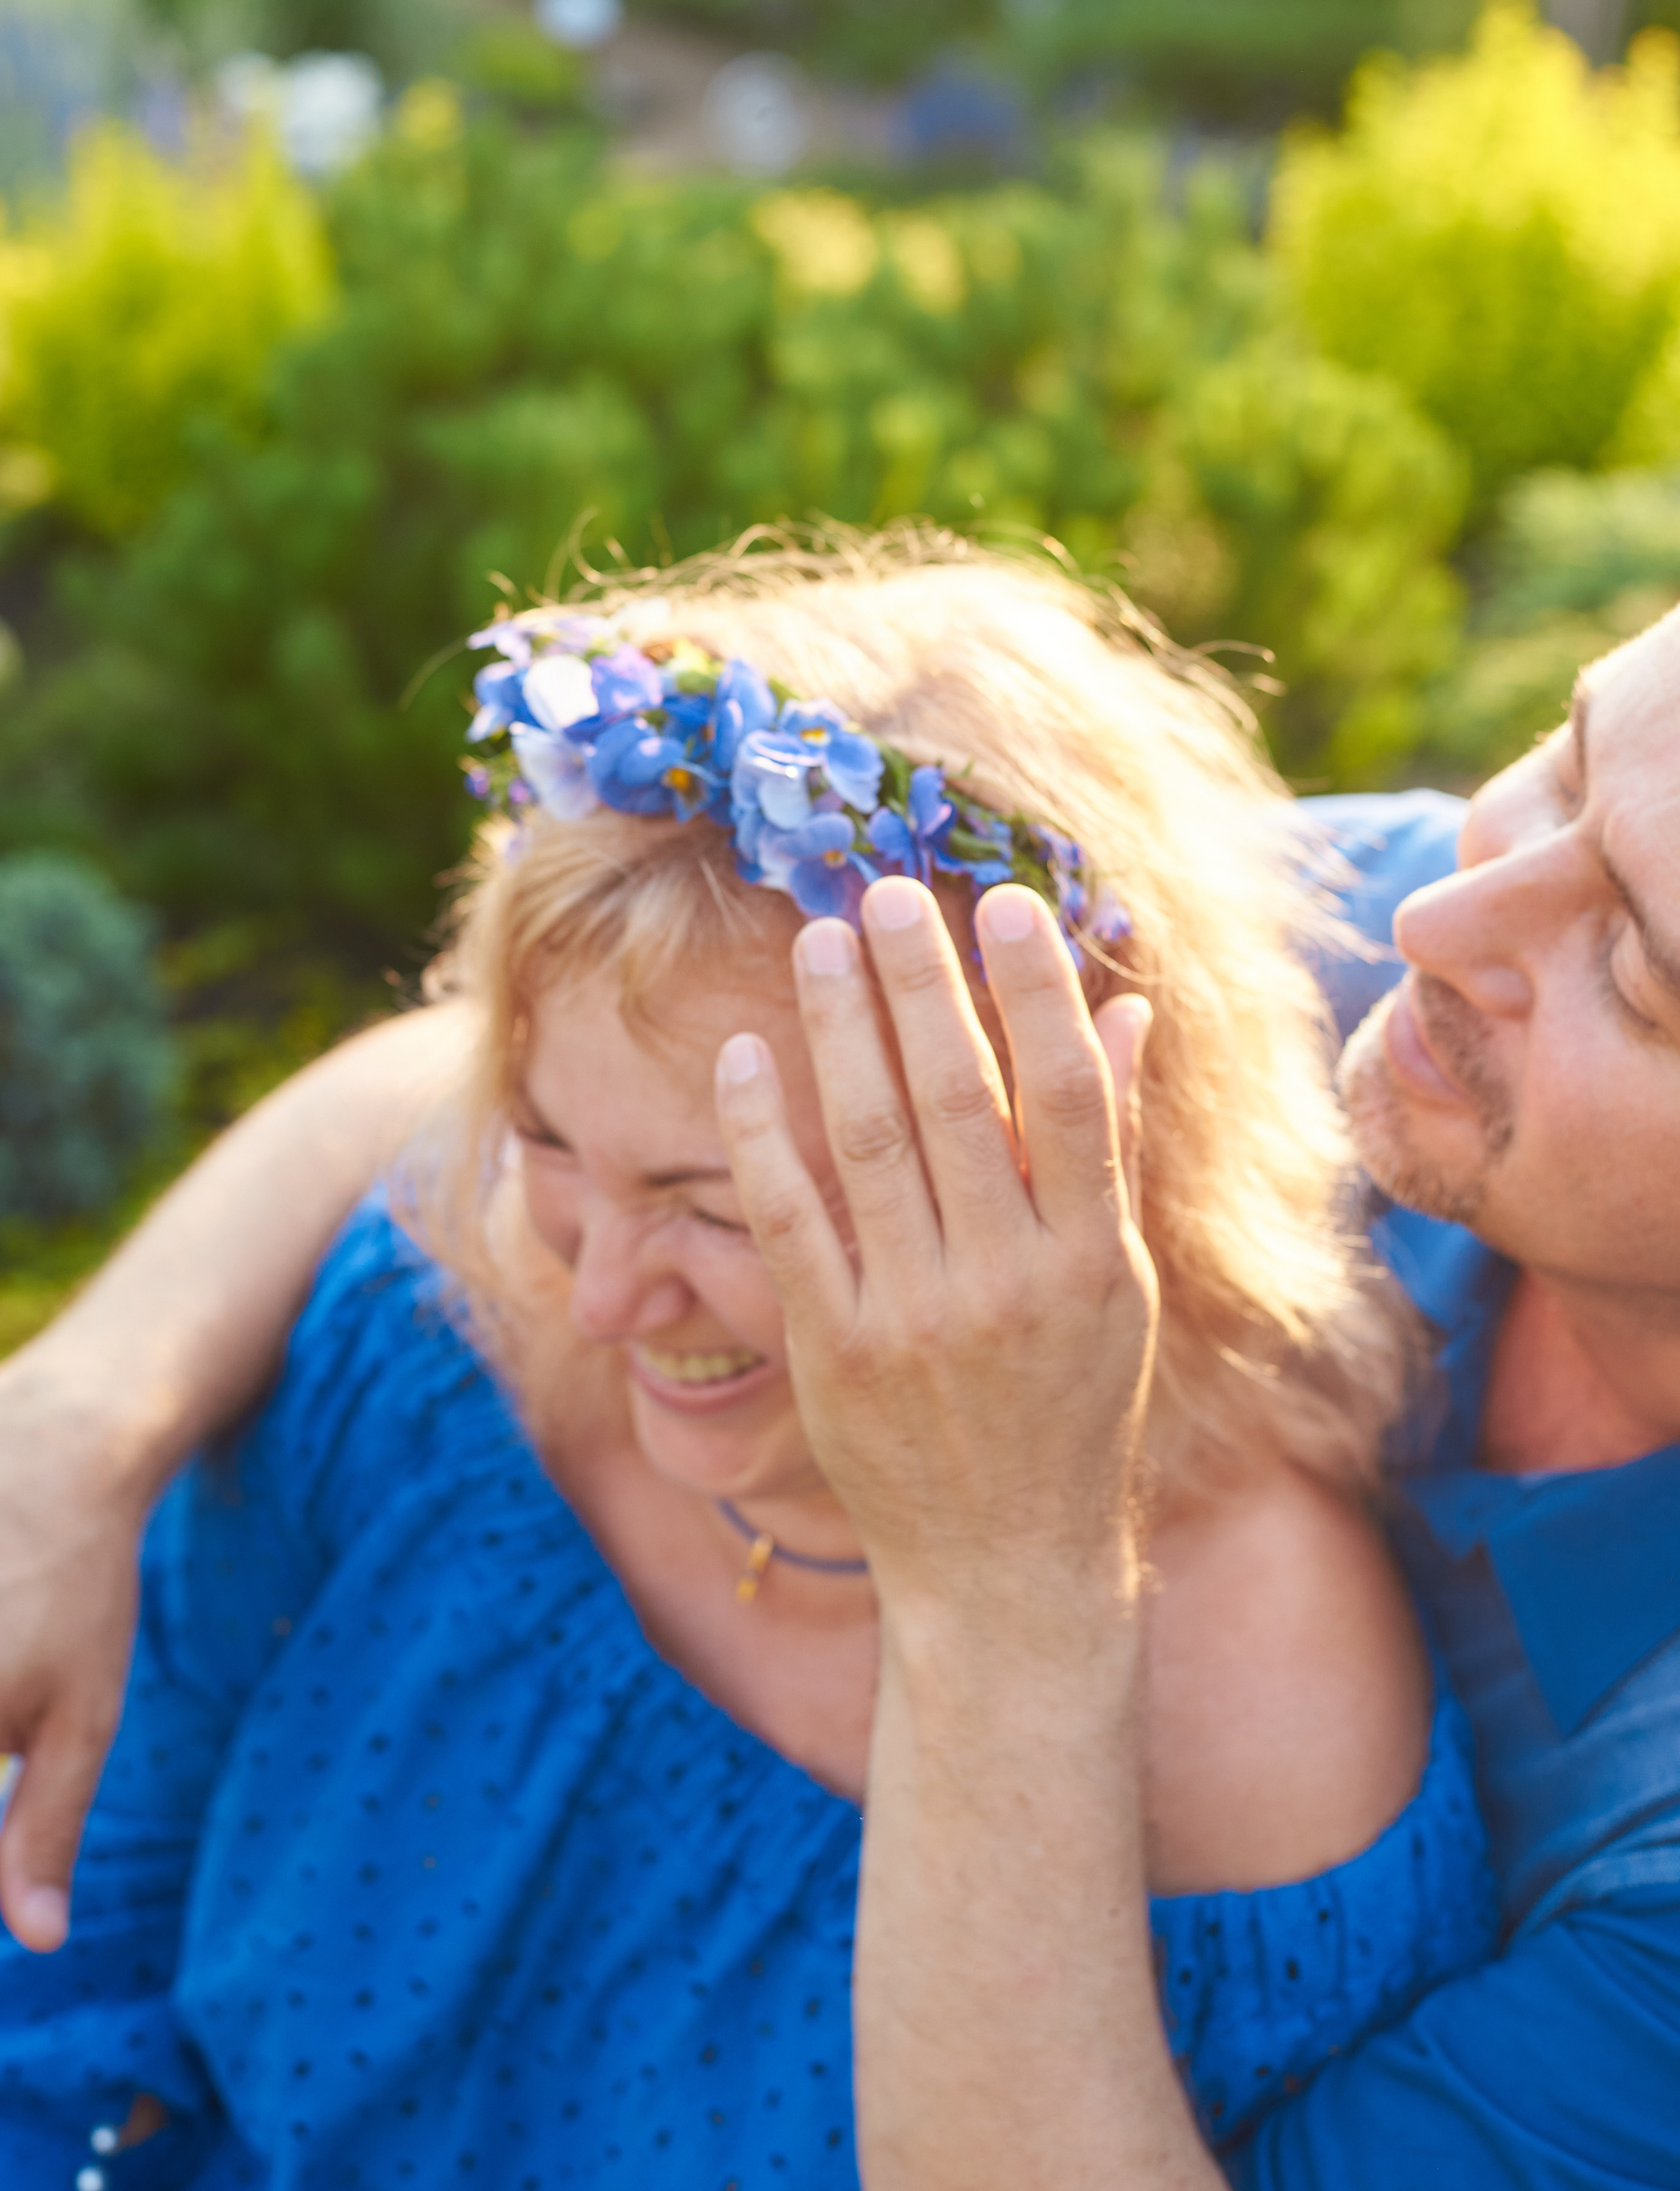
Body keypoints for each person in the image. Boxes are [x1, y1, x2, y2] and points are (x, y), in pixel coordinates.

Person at [0, 547, 1495, 2186]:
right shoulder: (427, 1349)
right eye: (555, 1141)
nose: (611, 1291)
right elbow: (84, 1951)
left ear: (1064, 1185)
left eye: (726, 1210)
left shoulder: (1266, 1750)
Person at [714, 600, 1680, 2187]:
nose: (1441, 916)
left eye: (1640, 980)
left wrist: (995, 1574)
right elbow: (574, 1056)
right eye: (1560, 764)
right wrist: (136, 1420)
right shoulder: (1386, 911)